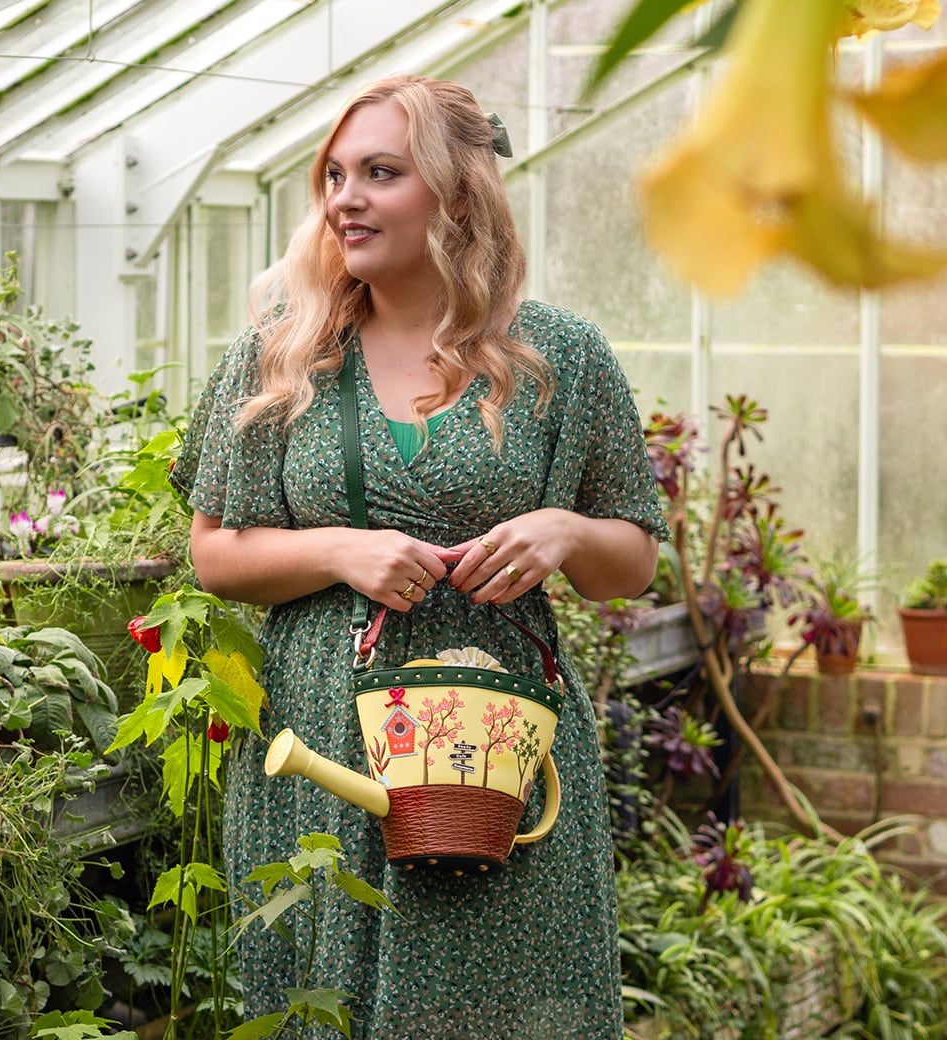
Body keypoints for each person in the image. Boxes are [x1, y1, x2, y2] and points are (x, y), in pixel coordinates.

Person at [170, 73, 668, 1040]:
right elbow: (214, 554)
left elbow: (632, 562)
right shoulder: (283, 354)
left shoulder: (561, 357)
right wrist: (338, 550)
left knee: (502, 1005)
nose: (344, 198)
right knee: (328, 1004)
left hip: (498, 756)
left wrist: (565, 532)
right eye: (336, 175)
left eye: (381, 173)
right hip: (322, 746)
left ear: (459, 194)